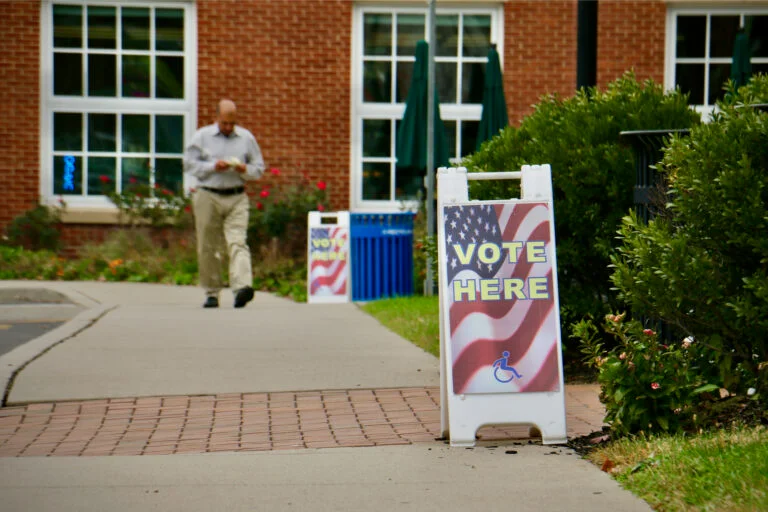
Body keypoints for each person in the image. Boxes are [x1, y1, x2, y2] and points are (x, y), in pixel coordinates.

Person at [184, 99, 265, 309]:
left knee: (238, 242)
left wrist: (244, 169)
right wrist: (213, 166)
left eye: (232, 124)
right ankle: (212, 292)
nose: (228, 128)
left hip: (236, 196)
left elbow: (258, 168)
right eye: (224, 124)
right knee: (208, 245)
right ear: (216, 118)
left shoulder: (246, 138)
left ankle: (242, 288)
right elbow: (189, 164)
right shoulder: (202, 137)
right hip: (208, 194)